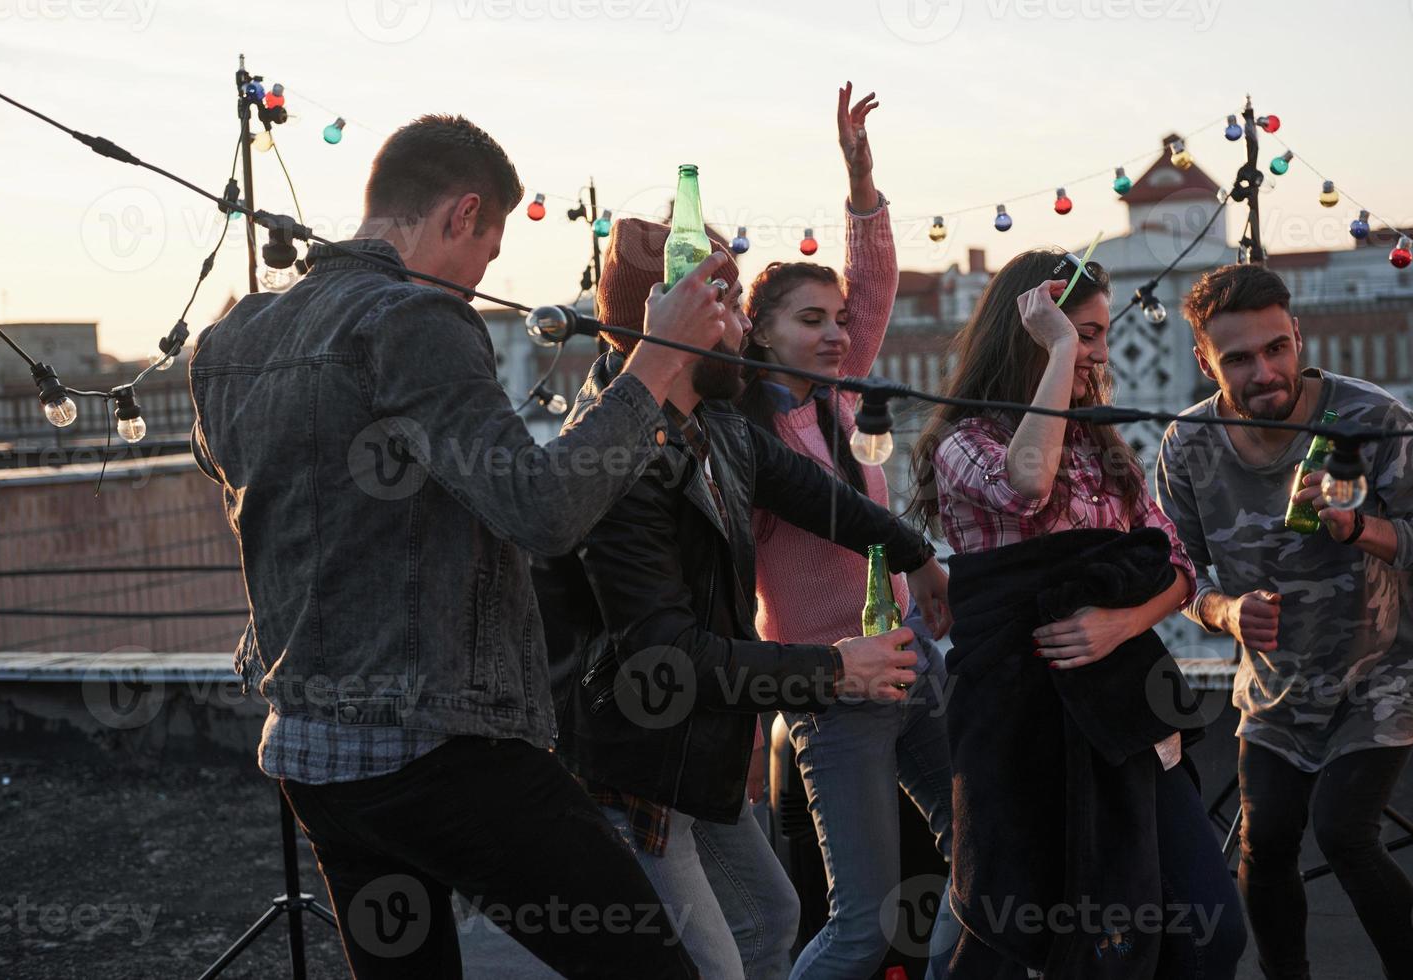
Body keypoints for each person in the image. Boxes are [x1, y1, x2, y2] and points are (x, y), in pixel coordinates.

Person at [188, 113, 738, 979]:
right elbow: (545, 510)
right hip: (438, 750)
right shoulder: (413, 320)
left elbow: (261, 495)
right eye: (487, 252)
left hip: (312, 759)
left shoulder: (233, 338)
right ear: (462, 212)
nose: (484, 282)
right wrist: (655, 361)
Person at [532, 213, 946, 980]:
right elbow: (665, 655)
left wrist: (918, 555)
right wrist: (834, 671)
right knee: (719, 964)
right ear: (667, 325)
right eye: (720, 308)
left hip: (694, 745)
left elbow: (825, 500)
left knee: (770, 921)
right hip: (635, 766)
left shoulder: (716, 423)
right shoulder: (620, 458)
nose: (741, 325)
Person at [907, 249, 1246, 979]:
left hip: (1121, 719)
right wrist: (1058, 350)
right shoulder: (965, 442)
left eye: (1094, 336)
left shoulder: (1103, 447)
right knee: (1032, 936)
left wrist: (1119, 624)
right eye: (1079, 334)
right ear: (1026, 331)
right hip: (1023, 732)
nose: (1095, 351)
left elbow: (1179, 565)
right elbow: (1026, 486)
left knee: (1207, 926)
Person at [1155, 263, 1413, 980]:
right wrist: (1224, 612)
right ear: (1203, 361)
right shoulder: (1186, 444)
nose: (1263, 371)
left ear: (1297, 335)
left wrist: (1362, 532)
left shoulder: (1370, 418)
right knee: (1265, 844)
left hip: (1383, 672)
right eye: (1237, 358)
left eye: (1275, 348)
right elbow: (1176, 574)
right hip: (1277, 687)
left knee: (1344, 833)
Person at [735, 81, 956, 979]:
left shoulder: (833, 398)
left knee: (987, 865)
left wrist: (860, 181)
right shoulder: (744, 433)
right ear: (757, 333)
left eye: (836, 322)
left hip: (912, 660)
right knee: (860, 927)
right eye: (808, 320)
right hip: (833, 689)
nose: (835, 335)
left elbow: (875, 289)